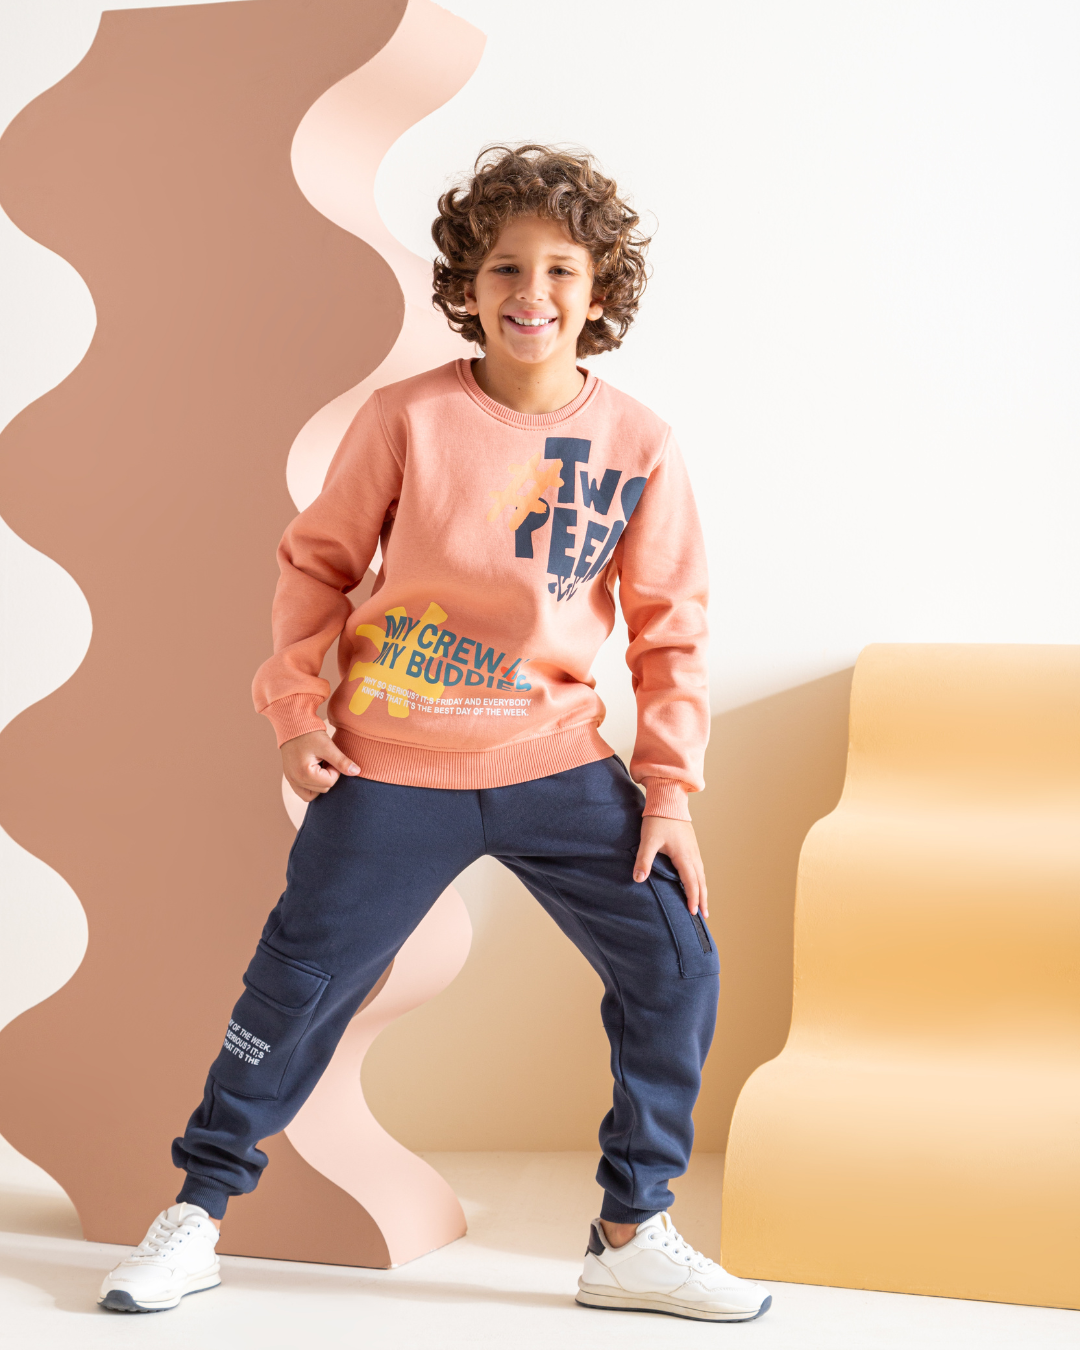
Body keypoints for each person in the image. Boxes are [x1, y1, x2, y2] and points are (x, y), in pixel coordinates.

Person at [98, 144, 771, 1323]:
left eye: (561, 269)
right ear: (467, 283)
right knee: (295, 986)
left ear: (599, 291)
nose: (532, 291)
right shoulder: (407, 418)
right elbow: (316, 564)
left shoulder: (640, 442)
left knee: (676, 964)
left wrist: (668, 792)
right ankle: (196, 1216)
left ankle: (631, 1234)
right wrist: (295, 709)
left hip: (558, 763)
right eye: (505, 266)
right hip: (392, 766)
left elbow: (673, 628)